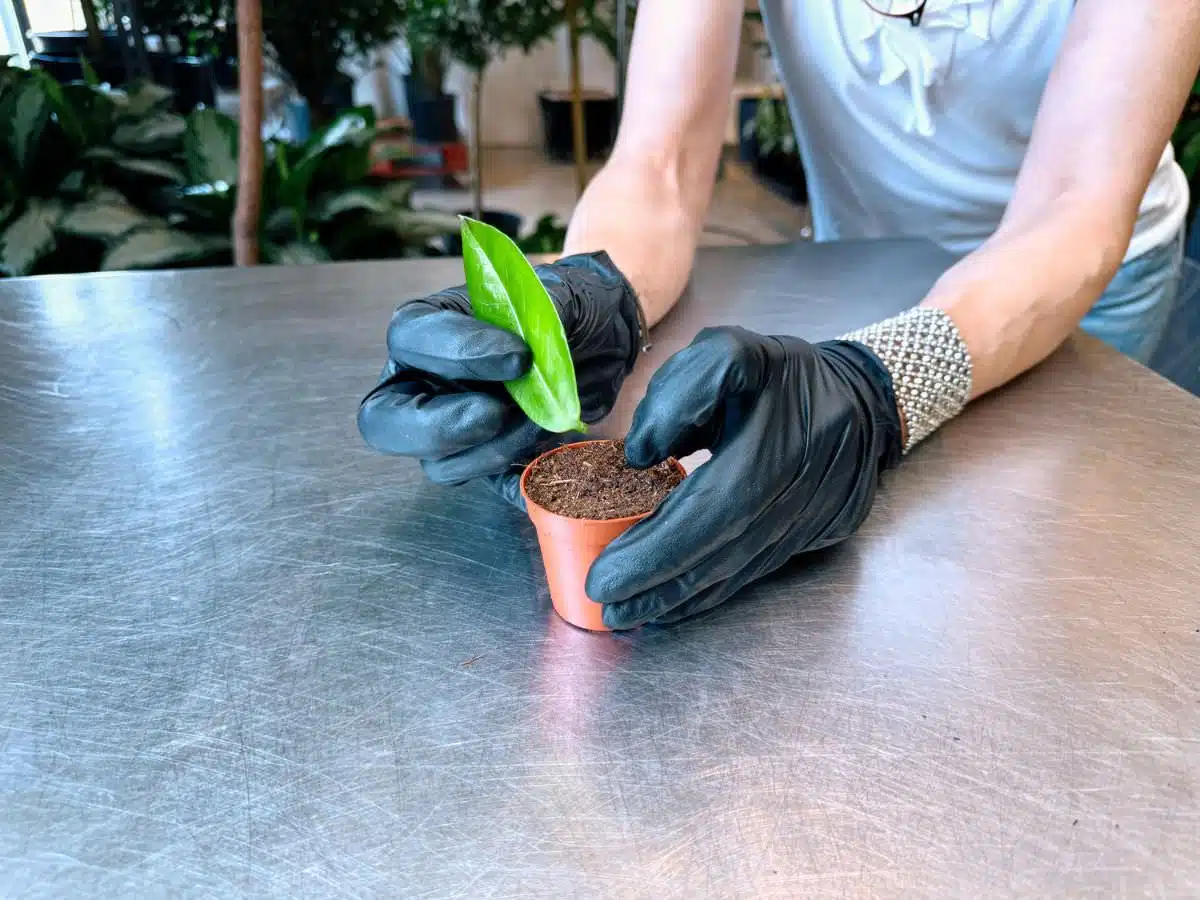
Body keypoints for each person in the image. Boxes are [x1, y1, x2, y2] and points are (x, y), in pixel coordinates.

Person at [358, 1, 1200, 629]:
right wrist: (589, 292)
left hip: (1084, 276)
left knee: (1036, 582)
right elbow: (660, 157)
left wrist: (877, 386)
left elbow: (1072, 203)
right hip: (865, 260)